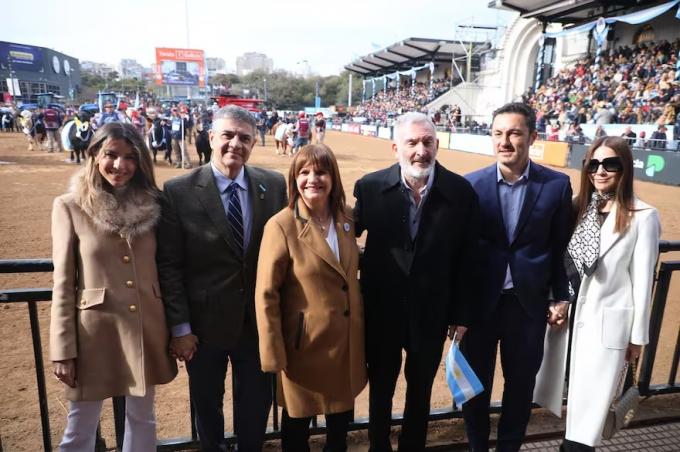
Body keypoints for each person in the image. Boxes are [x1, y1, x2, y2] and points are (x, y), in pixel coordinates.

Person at [156, 105, 287, 452]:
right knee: (207, 406)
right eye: (227, 135)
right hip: (203, 328)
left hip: (257, 324)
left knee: (257, 404)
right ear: (211, 137)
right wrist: (180, 329)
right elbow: (169, 265)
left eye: (244, 138)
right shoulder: (178, 191)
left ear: (255, 142)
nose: (235, 144)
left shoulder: (273, 186)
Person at [353, 111, 480, 451]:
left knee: (420, 387)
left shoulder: (460, 191)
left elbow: (468, 259)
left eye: (427, 142)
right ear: (396, 147)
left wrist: (462, 314)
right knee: (381, 386)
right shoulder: (369, 187)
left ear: (437, 144)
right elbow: (342, 239)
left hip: (433, 311)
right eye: (412, 143)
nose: (420, 151)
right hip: (382, 310)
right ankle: (378, 445)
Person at [50, 122, 177, 451]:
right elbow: (63, 284)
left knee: (143, 418)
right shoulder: (70, 206)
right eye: (111, 155)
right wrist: (63, 350)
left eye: (130, 157)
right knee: (81, 424)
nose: (120, 165)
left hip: (144, 327)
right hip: (94, 332)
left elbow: (166, 268)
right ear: (94, 154)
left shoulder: (155, 204)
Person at [462, 102, 573, 452]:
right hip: (479, 306)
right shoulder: (471, 185)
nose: (504, 141)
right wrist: (456, 308)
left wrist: (561, 296)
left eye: (514, 133)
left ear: (533, 137)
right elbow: (460, 253)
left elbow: (561, 248)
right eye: (497, 133)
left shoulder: (556, 185)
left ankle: (509, 447)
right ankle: (478, 446)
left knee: (520, 386)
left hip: (528, 306)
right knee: (475, 386)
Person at [255, 144, 367, 452]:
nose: (312, 179)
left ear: (333, 177)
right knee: (296, 429)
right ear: (293, 179)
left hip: (345, 345)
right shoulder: (281, 225)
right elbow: (266, 293)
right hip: (303, 347)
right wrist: (272, 352)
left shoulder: (346, 219)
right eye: (304, 172)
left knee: (339, 430)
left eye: (321, 171)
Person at [558, 136, 660, 451]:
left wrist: (637, 338)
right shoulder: (578, 206)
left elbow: (643, 279)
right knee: (571, 406)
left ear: (625, 168)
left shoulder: (644, 215)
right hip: (571, 325)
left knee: (586, 423)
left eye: (610, 164)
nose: (600, 171)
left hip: (608, 330)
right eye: (593, 164)